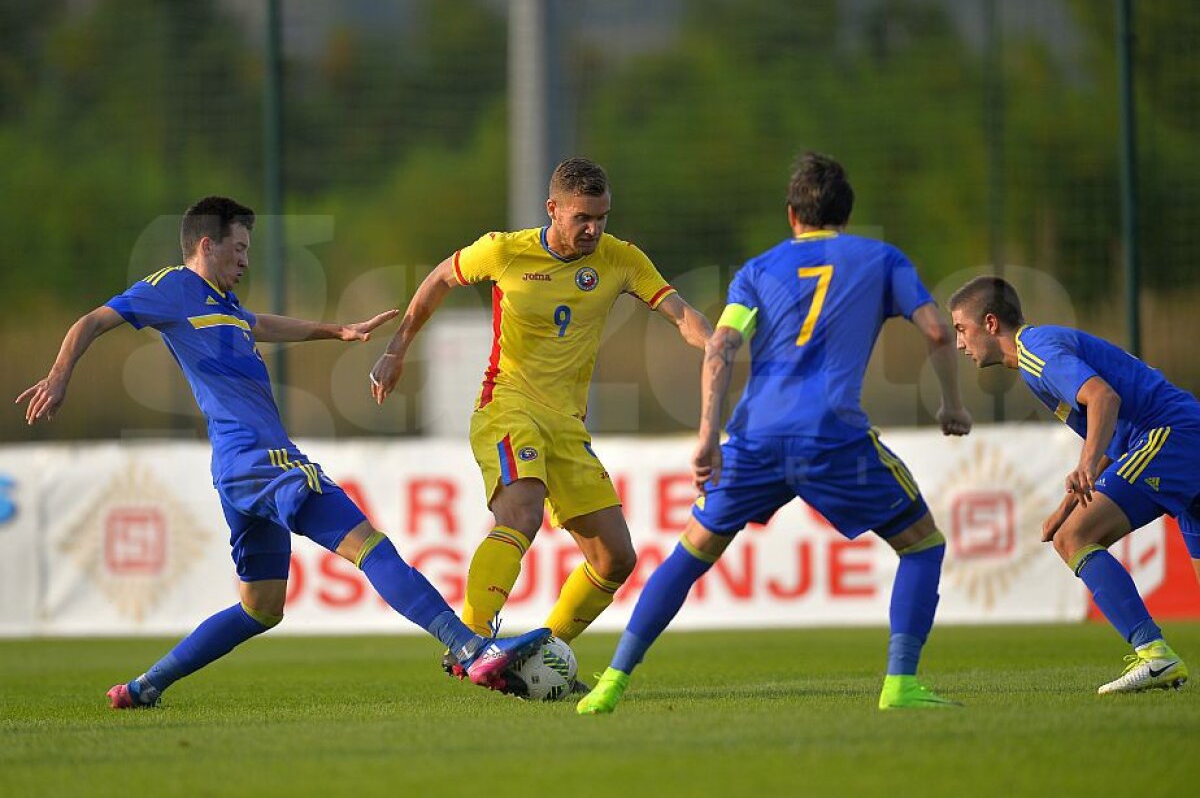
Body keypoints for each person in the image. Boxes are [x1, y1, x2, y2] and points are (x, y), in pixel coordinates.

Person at [16, 196, 548, 708]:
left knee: (261, 608)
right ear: (206, 245)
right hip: (262, 460)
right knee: (371, 547)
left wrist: (336, 331)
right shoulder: (172, 288)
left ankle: (143, 687)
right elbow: (93, 320)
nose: (245, 260)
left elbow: (261, 324)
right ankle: (471, 649)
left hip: (238, 471)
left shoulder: (221, 305)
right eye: (239, 248)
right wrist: (59, 376)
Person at [577, 152, 972, 715]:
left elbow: (720, 346)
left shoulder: (758, 270)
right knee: (923, 545)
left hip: (754, 437)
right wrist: (951, 405)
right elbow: (936, 331)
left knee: (690, 554)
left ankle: (612, 682)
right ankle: (901, 684)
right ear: (846, 214)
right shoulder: (881, 259)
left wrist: (708, 434)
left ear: (792, 214)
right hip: (832, 435)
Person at [369, 158, 712, 693]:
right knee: (522, 512)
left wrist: (718, 344)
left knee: (615, 558)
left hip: (567, 425)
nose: (593, 229)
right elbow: (439, 278)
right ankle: (470, 643)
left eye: (601, 217)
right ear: (552, 209)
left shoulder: (620, 259)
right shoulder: (504, 251)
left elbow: (682, 314)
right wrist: (396, 350)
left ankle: (542, 655)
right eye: (582, 218)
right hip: (507, 405)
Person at [948, 275, 1193, 694]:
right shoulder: (1040, 350)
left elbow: (1103, 398)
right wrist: (1065, 507)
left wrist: (1083, 468)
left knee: (1075, 538)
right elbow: (1114, 434)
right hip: (1183, 434)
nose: (959, 343)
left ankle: (1154, 654)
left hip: (1170, 436)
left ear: (990, 323)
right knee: (1069, 529)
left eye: (960, 329)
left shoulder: (1036, 351)